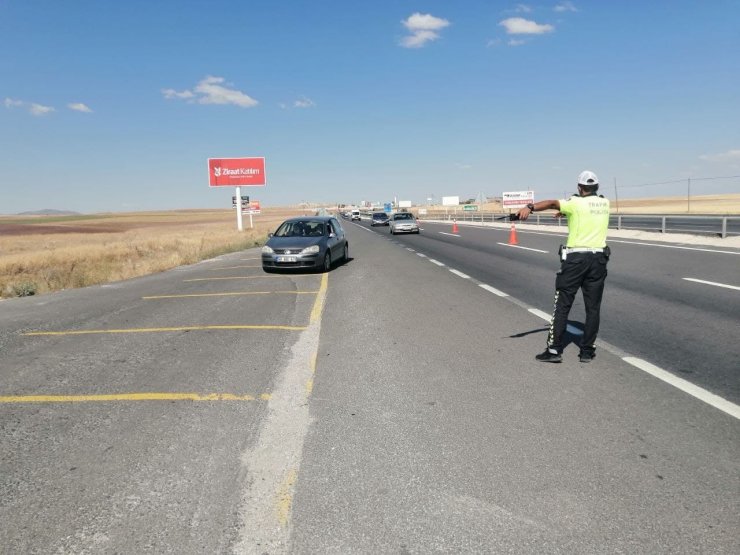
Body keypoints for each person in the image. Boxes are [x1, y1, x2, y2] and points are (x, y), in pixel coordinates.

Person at [516, 170, 610, 363]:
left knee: (563, 304)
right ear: (597, 187)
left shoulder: (575, 203)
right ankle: (587, 351)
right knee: (593, 308)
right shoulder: (604, 203)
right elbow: (586, 210)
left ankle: (554, 350)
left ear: (579, 187)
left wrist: (529, 207)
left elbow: (551, 203)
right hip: (599, 260)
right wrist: (567, 211)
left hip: (576, 261)